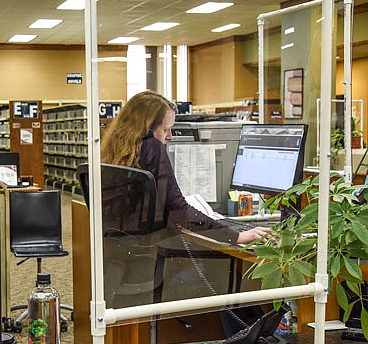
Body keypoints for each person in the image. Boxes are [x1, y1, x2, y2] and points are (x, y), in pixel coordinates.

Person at [101, 90, 270, 245]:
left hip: (121, 246)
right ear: (147, 127)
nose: (170, 136)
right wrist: (236, 236)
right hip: (148, 248)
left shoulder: (115, 150)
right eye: (166, 129)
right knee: (203, 271)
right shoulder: (151, 146)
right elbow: (177, 208)